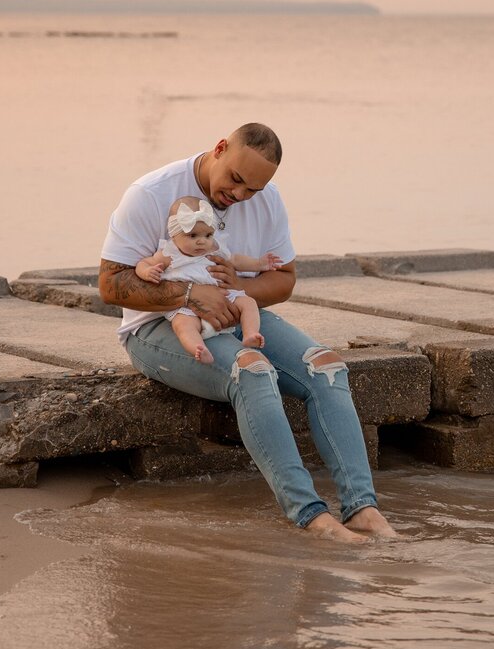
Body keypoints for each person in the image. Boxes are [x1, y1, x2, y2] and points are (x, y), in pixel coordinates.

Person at [99, 122, 398, 543]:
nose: (239, 196)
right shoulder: (150, 193)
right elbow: (110, 284)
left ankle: (363, 509)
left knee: (327, 366)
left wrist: (234, 289)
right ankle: (311, 515)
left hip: (237, 312)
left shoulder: (267, 199)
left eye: (252, 190)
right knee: (252, 370)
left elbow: (284, 279)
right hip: (158, 325)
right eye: (236, 180)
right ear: (220, 148)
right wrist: (191, 292)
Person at [135, 194, 282, 364]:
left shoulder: (214, 248)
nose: (201, 242)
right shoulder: (169, 253)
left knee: (248, 302)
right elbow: (144, 263)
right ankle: (198, 348)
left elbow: (235, 260)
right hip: (186, 305)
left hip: (222, 296)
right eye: (193, 236)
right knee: (183, 325)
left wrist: (259, 264)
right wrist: (147, 271)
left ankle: (250, 334)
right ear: (174, 235)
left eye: (208, 235)